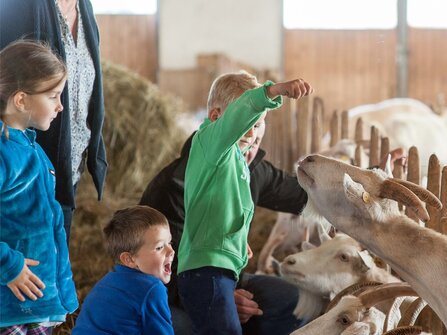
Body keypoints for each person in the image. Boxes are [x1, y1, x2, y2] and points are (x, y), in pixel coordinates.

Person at [140, 110, 308, 334]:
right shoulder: (174, 187)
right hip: (168, 291)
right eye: (242, 137)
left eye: (257, 133)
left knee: (297, 301)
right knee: (184, 328)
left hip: (225, 279)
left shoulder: (252, 170)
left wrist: (362, 185)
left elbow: (303, 194)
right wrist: (218, 299)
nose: (250, 145)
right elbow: (153, 268)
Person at [175, 71, 312, 335]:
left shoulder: (237, 161)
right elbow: (243, 110)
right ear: (216, 117)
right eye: (246, 122)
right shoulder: (210, 144)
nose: (252, 131)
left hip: (223, 269)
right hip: (206, 271)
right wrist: (273, 92)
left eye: (259, 123)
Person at [0, 0, 108, 239]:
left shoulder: (84, 8)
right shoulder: (19, 7)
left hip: (67, 166)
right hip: (25, 163)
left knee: (56, 251)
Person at [0, 40, 78, 335]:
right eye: (53, 96)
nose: (60, 106)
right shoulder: (5, 152)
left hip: (35, 302)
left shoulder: (31, 148)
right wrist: (9, 265)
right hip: (11, 307)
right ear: (21, 100)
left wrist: (63, 293)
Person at [72, 205, 175, 335]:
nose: (171, 251)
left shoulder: (107, 281)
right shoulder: (152, 289)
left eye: (169, 243)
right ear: (129, 259)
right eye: (159, 247)